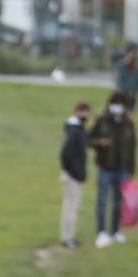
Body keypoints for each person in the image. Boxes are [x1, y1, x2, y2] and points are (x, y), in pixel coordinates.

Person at [88, 92, 137, 249]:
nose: (117, 107)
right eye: (114, 103)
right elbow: (88, 139)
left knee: (118, 201)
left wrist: (131, 169)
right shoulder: (102, 120)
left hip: (122, 168)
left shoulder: (129, 123)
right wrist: (100, 143)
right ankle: (101, 232)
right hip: (105, 167)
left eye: (120, 104)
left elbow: (132, 147)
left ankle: (115, 231)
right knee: (102, 200)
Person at [58, 100, 90, 250]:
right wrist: (71, 171)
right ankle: (68, 237)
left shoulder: (78, 129)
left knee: (72, 206)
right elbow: (66, 153)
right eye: (84, 111)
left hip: (75, 173)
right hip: (73, 175)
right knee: (71, 206)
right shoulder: (74, 130)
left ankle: (70, 236)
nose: (86, 114)